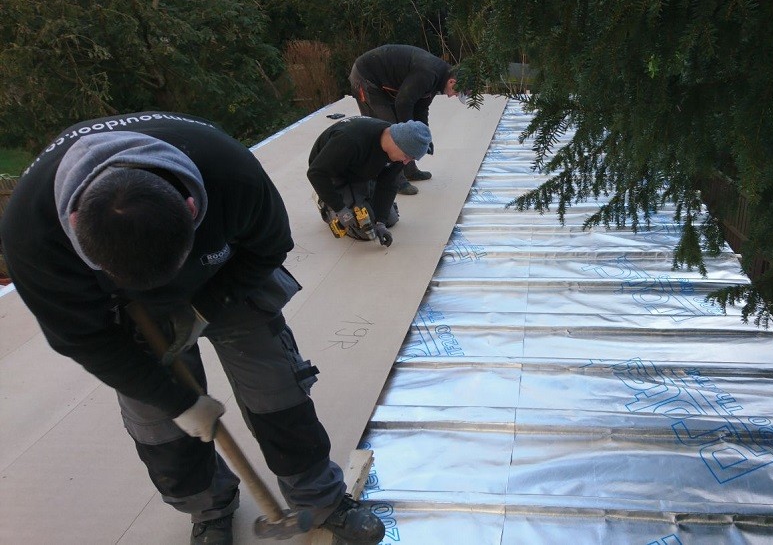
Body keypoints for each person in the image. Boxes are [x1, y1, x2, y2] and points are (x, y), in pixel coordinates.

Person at [0, 113, 385, 545]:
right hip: (129, 314)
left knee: (277, 386)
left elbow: (271, 246)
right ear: (74, 228)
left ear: (191, 208)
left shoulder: (229, 174)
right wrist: (177, 401)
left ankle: (320, 498)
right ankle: (210, 510)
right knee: (160, 425)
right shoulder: (32, 234)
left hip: (222, 277)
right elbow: (83, 338)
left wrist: (206, 305)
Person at [349, 44, 464, 195]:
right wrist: (408, 134)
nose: (453, 96)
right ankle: (396, 181)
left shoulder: (436, 79)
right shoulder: (428, 73)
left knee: (402, 131)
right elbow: (403, 103)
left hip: (380, 81)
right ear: (452, 82)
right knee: (389, 131)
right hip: (366, 77)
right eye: (456, 93)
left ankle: (410, 171)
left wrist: (425, 138)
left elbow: (420, 109)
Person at [307, 116, 431, 244]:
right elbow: (316, 173)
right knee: (363, 230)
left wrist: (381, 222)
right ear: (395, 142)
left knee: (389, 220)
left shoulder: (400, 150)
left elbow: (389, 183)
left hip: (360, 169)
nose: (406, 162)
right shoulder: (350, 139)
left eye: (411, 159)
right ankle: (324, 202)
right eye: (406, 156)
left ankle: (361, 196)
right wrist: (340, 209)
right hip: (333, 172)